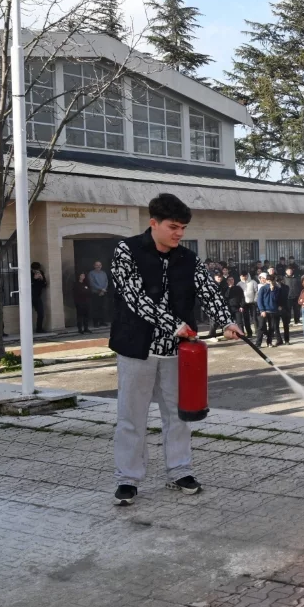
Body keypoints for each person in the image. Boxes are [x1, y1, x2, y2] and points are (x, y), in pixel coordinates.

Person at [108, 193, 241, 507]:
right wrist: (171, 323)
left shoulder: (188, 258)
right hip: (135, 347)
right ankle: (127, 479)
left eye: (183, 228)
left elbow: (207, 290)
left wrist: (227, 321)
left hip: (176, 352)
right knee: (131, 417)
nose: (179, 233)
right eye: (173, 227)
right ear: (153, 223)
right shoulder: (126, 251)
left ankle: (179, 470)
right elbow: (134, 297)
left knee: (178, 415)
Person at [256, 273, 280, 347]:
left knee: (272, 327)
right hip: (264, 310)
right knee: (261, 327)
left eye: (271, 281)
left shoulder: (277, 289)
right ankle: (258, 343)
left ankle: (269, 342)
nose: (270, 282)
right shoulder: (263, 288)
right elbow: (259, 300)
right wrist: (262, 310)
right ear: (266, 281)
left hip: (273, 310)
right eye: (268, 281)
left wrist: (272, 291)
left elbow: (276, 299)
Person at [87, 261, 109, 326]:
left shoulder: (103, 273)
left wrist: (103, 289)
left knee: (103, 308)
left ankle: (102, 322)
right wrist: (101, 289)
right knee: (96, 308)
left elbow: (106, 281)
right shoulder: (91, 273)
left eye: (99, 265)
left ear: (101, 266)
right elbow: (92, 283)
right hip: (95, 293)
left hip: (103, 293)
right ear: (94, 266)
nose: (98, 266)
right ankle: (96, 323)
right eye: (97, 265)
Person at [30, 261, 48, 332]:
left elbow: (45, 285)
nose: (36, 271)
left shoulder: (41, 273)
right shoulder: (29, 274)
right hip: (29, 296)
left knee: (41, 313)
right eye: (35, 270)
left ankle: (39, 328)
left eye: (37, 270)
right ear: (32, 269)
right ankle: (26, 329)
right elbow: (29, 284)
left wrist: (42, 279)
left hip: (37, 296)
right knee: (27, 313)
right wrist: (34, 279)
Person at [240, 272, 258, 338]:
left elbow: (256, 291)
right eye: (242, 276)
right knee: (246, 319)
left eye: (245, 276)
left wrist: (255, 300)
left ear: (248, 276)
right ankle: (249, 333)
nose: (244, 277)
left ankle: (257, 332)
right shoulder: (239, 284)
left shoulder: (253, 282)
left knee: (254, 318)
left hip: (253, 303)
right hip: (244, 304)